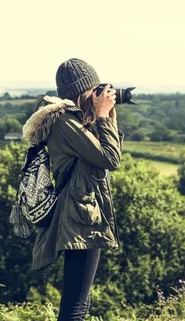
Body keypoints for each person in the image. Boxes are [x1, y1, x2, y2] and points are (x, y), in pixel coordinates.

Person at [22, 58, 123, 321]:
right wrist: (102, 115)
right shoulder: (65, 122)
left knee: (81, 303)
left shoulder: (76, 122)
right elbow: (110, 159)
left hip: (83, 216)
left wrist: (106, 116)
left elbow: (106, 154)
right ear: (84, 91)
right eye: (95, 90)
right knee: (75, 308)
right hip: (80, 218)